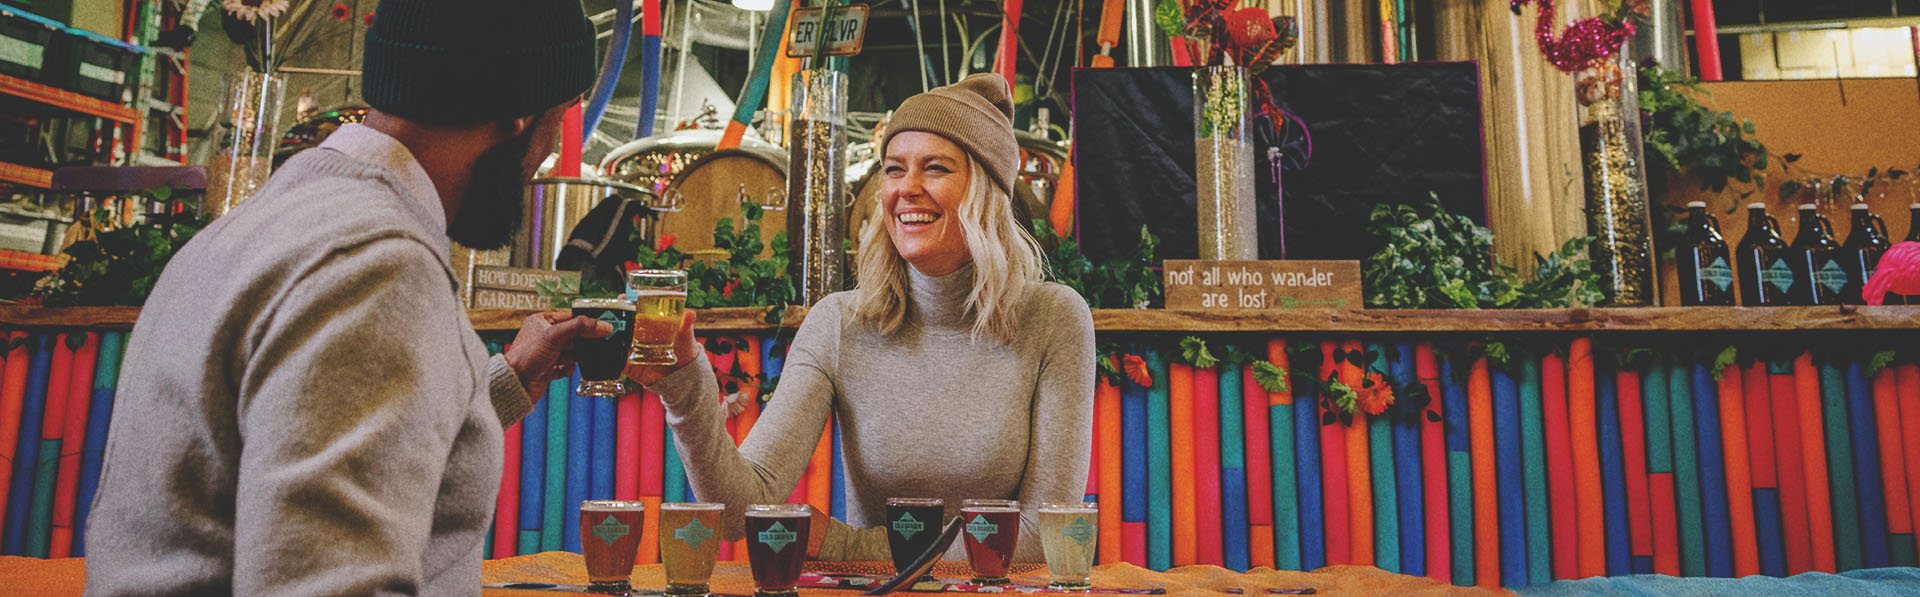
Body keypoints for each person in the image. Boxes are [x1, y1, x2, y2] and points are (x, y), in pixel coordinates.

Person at [84, 0, 605, 593]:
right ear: (520, 108)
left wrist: (505, 382)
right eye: (557, 124)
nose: (545, 163)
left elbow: (289, 432)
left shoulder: (266, 225)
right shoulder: (377, 268)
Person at [630, 74, 1095, 562]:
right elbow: (738, 511)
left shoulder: (1053, 318)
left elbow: (1045, 532)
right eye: (895, 169)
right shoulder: (838, 324)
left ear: (985, 190)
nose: (907, 189)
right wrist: (684, 389)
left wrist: (851, 545)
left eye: (934, 168)